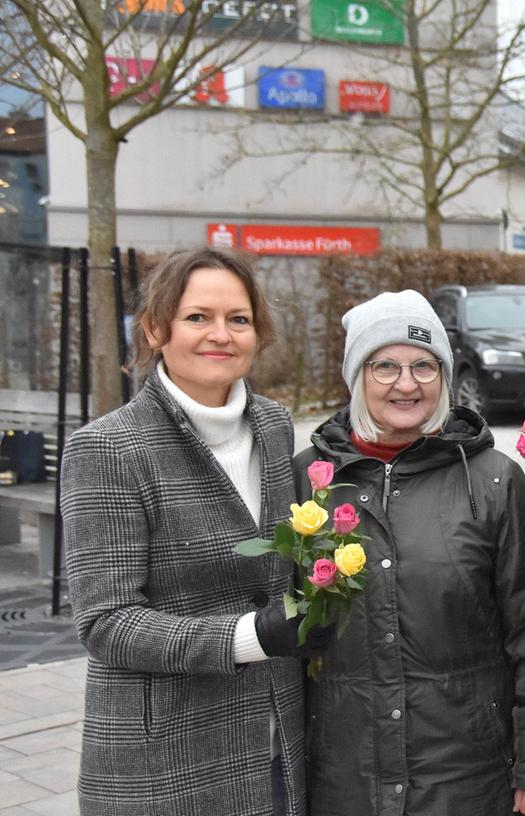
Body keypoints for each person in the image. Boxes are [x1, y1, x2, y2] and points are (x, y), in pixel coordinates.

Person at [61, 248, 327, 816]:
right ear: (156, 328)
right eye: (198, 317)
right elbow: (105, 622)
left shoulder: (275, 425)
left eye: (239, 319)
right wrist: (251, 636)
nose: (221, 335)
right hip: (166, 756)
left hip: (276, 739)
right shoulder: (109, 448)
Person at [298, 290, 525, 816]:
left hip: (468, 774)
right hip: (344, 772)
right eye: (385, 366)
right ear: (357, 375)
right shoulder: (308, 479)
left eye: (424, 366)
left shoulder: (492, 480)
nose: (406, 384)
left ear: (445, 376)